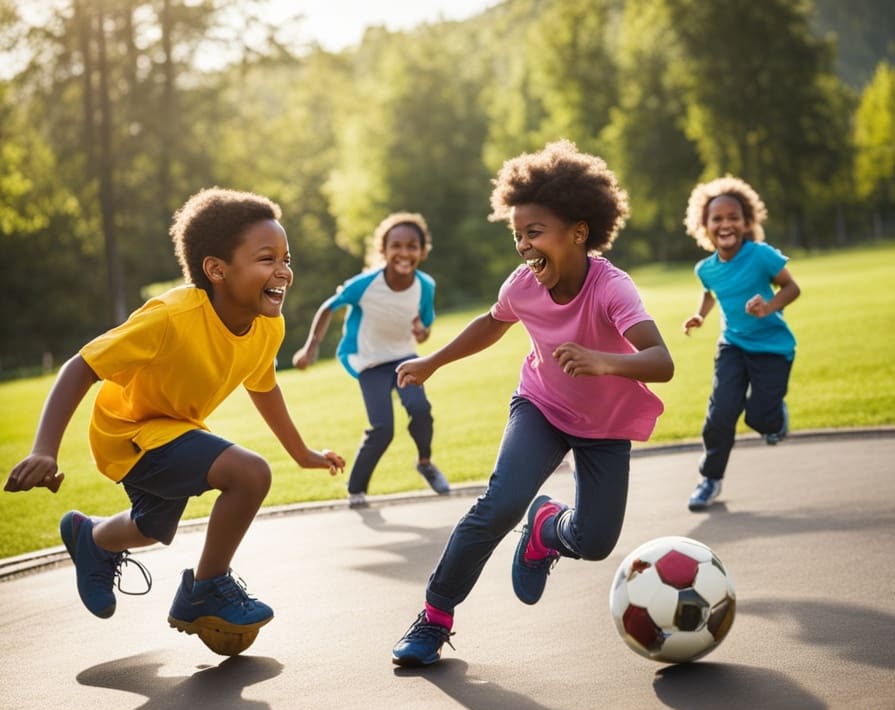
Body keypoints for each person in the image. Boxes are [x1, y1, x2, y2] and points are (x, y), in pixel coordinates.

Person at [4, 187, 346, 650]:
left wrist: (302, 453)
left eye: (287, 258)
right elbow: (81, 366)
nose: (283, 270)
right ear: (216, 269)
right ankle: (204, 590)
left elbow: (263, 386)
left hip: (176, 427)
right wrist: (44, 449)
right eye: (267, 258)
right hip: (127, 432)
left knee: (151, 530)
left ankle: (93, 536)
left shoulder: (269, 325)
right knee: (248, 474)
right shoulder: (170, 317)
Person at [390, 139, 674, 666]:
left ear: (579, 232)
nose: (523, 245)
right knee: (498, 505)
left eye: (535, 232)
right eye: (517, 234)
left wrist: (603, 361)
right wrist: (433, 363)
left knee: (593, 542)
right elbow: (490, 325)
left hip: (604, 425)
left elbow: (662, 362)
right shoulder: (523, 285)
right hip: (541, 407)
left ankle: (546, 528)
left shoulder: (613, 289)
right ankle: (434, 618)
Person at [292, 211, 449, 509]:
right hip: (369, 362)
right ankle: (356, 490)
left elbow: (424, 331)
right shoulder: (364, 284)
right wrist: (311, 346)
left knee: (420, 408)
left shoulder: (425, 286)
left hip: (404, 358)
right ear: (384, 250)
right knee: (382, 428)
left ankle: (425, 463)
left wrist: (421, 331)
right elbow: (328, 307)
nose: (404, 253)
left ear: (422, 251)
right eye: (396, 246)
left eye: (412, 246)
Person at [681, 176, 801, 512]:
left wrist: (769, 306)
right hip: (732, 346)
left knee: (760, 419)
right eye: (717, 218)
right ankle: (710, 480)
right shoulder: (705, 269)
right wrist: (700, 316)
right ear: (704, 226)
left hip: (772, 349)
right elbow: (710, 294)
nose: (725, 224)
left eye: (733, 217)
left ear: (746, 222)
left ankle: (775, 420)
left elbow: (792, 288)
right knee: (720, 414)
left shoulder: (761, 255)